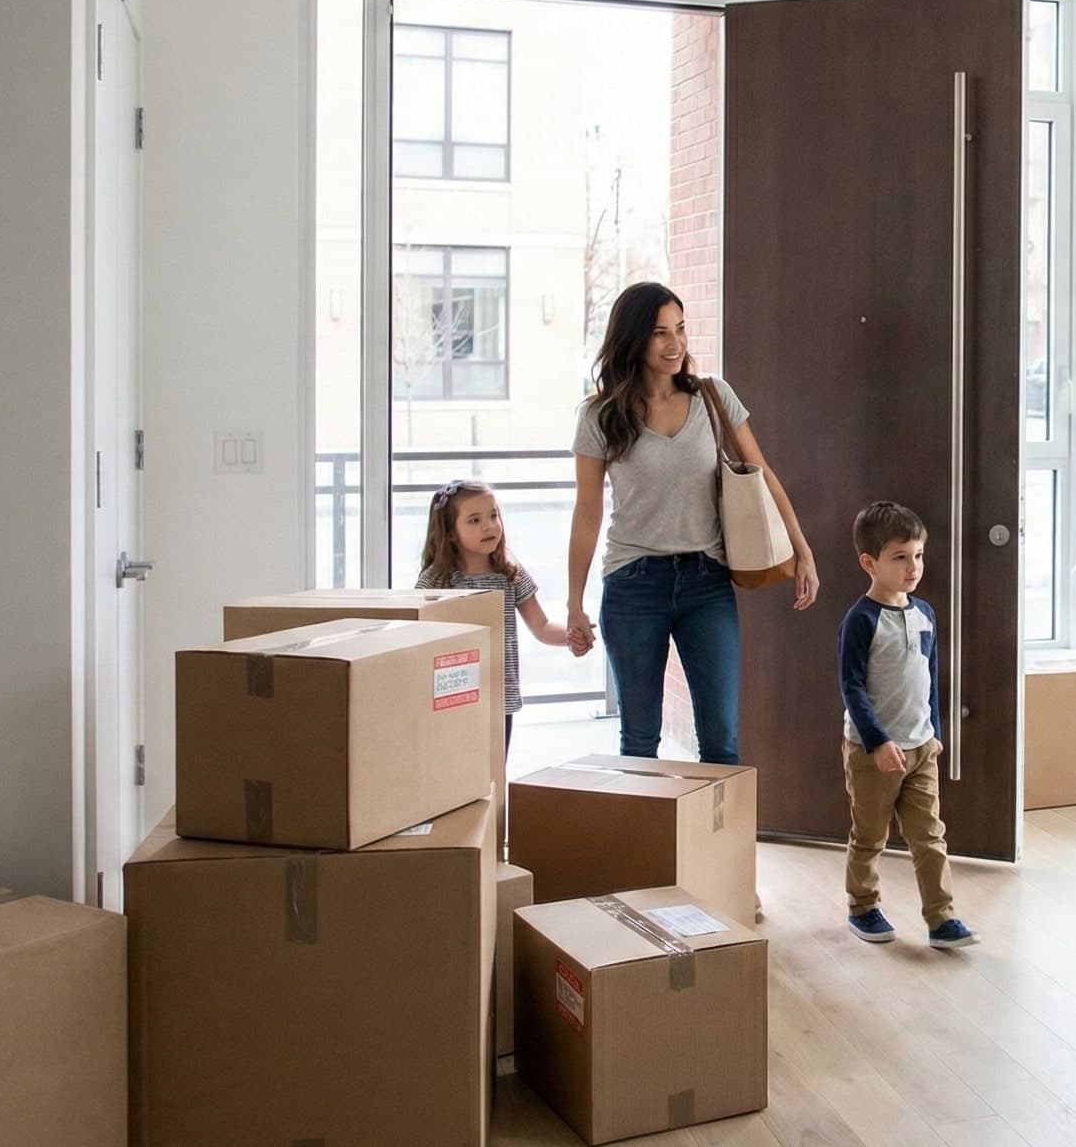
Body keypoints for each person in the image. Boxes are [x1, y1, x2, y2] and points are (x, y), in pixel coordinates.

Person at [565, 283, 818, 763]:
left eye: (680, 329)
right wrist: (574, 603)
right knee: (639, 740)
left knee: (721, 738)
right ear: (633, 340)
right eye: (660, 333)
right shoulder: (599, 415)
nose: (675, 343)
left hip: (707, 581)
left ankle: (719, 841)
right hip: (633, 583)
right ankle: (647, 840)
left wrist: (801, 551)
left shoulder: (712, 396)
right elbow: (587, 513)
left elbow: (762, 475)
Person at [835, 501, 976, 949]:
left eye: (917, 555)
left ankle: (941, 917)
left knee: (930, 837)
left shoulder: (926, 614)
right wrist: (877, 743)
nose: (913, 566)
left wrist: (934, 732)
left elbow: (930, 678)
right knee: (871, 835)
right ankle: (863, 907)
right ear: (869, 563)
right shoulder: (860, 620)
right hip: (873, 753)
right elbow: (851, 687)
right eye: (900, 557)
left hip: (921, 750)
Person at [416, 478, 569, 751]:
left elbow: (542, 626)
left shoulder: (510, 574)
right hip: (451, 695)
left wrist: (573, 636)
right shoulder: (436, 581)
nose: (489, 526)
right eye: (474, 520)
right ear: (450, 532)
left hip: (499, 696)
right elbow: (419, 638)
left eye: (493, 515)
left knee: (494, 775)